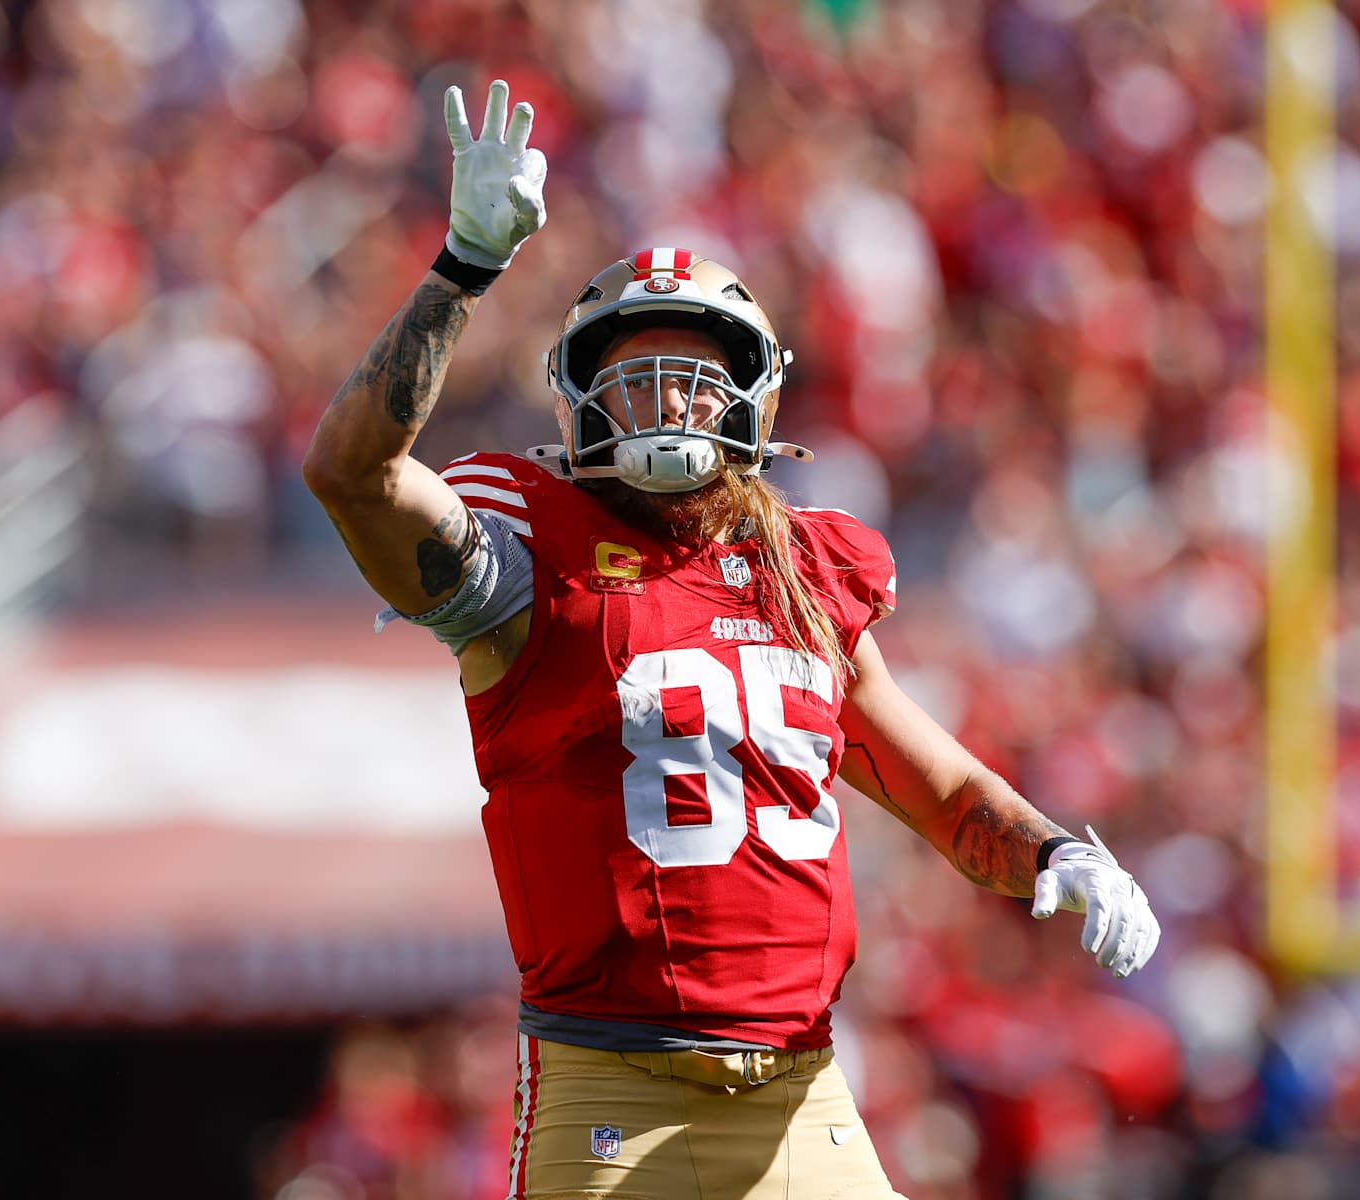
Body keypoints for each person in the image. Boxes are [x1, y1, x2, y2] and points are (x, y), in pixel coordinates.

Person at [302, 79, 1162, 1200]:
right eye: (634, 380)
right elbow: (351, 473)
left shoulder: (809, 569)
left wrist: (1053, 852)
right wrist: (464, 264)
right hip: (610, 1095)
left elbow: (936, 783)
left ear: (753, 399)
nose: (667, 404)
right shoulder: (528, 555)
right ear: (577, 404)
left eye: (695, 382)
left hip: (803, 1097)